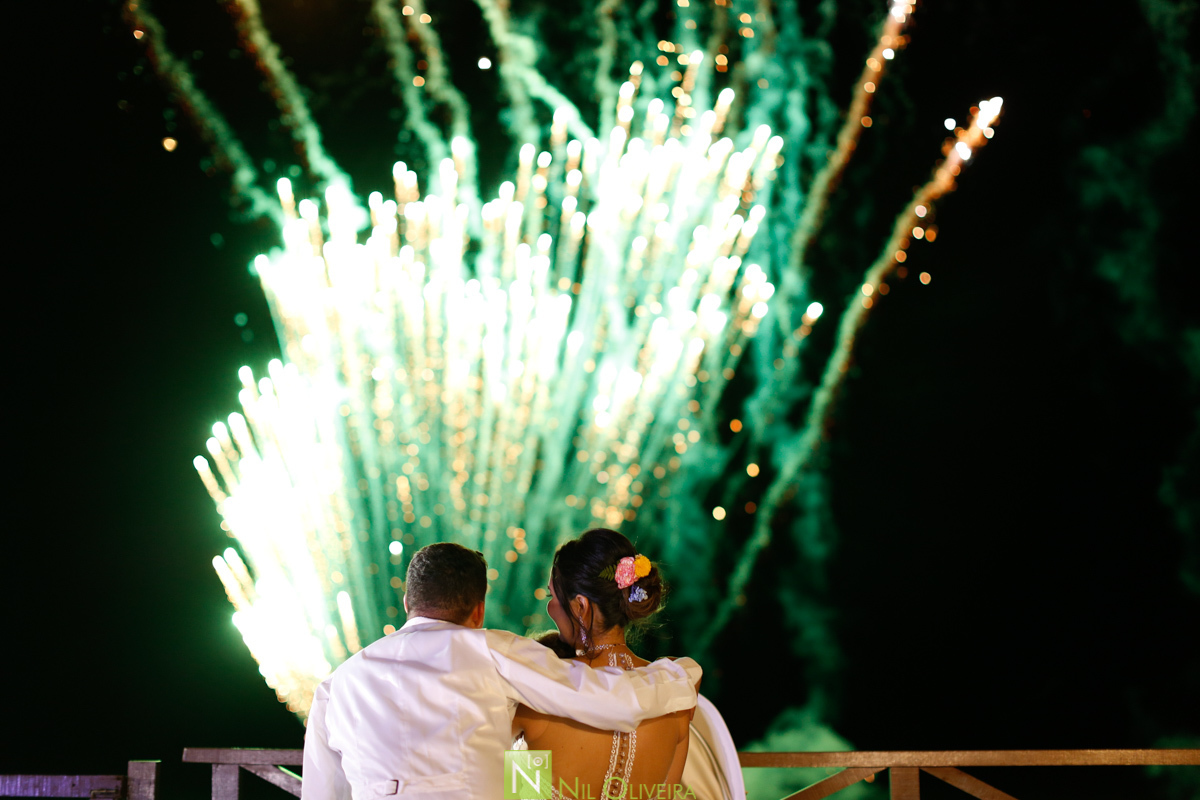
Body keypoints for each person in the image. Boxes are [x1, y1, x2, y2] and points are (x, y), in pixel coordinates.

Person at [301, 542, 703, 800]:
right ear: (478, 610)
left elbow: (322, 795)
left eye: (551, 596)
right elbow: (614, 702)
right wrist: (681, 675)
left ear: (408, 601)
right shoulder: (495, 653)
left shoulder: (335, 687)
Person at [512, 529, 694, 800]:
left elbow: (520, 795)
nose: (550, 608)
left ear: (581, 606)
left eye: (552, 596)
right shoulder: (676, 698)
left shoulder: (537, 699)